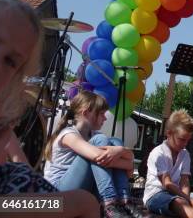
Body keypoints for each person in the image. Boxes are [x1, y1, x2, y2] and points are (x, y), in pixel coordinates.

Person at [0, 0, 100, 218]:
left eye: (10, 61)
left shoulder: (0, 120)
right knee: (83, 203)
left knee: (85, 202)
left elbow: (20, 167)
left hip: (4, 204)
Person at [43, 90, 143, 218]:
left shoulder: (94, 136)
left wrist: (120, 151)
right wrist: (125, 160)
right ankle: (110, 203)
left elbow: (129, 166)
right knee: (102, 141)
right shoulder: (68, 134)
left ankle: (124, 201)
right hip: (58, 194)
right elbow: (99, 157)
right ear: (86, 113)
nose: (105, 118)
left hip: (81, 192)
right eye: (101, 114)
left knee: (115, 141)